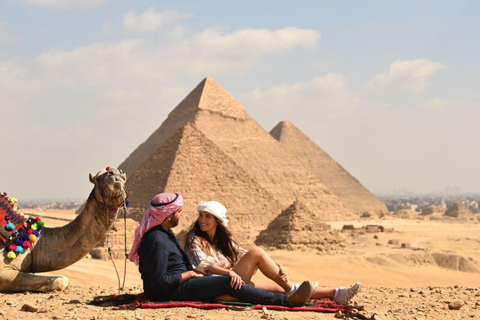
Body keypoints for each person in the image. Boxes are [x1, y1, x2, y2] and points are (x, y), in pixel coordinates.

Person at [128, 192, 313, 306]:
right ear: (168, 215)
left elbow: (243, 253)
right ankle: (288, 301)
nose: (181, 215)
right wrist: (189, 275)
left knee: (241, 282)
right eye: (179, 212)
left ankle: (301, 291)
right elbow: (158, 284)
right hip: (173, 291)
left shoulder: (165, 233)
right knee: (228, 282)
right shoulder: (156, 241)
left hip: (181, 284)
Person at [184, 200, 360, 305]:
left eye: (207, 216)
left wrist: (276, 265)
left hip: (233, 284)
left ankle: (337, 293)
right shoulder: (194, 238)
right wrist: (229, 272)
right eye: (200, 215)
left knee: (279, 289)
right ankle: (291, 290)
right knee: (257, 252)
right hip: (216, 288)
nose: (202, 220)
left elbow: (243, 255)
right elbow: (202, 265)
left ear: (217, 221)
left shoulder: (223, 241)